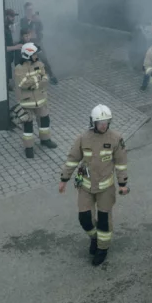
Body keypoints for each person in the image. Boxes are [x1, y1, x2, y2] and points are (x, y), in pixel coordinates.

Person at [58, 104, 129, 266]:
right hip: (86, 186)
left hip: (106, 188)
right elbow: (72, 159)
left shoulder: (116, 139)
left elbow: (121, 163)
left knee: (104, 220)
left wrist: (123, 183)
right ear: (93, 122)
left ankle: (102, 248)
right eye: (100, 122)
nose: (103, 125)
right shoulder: (83, 139)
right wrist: (64, 179)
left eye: (106, 122)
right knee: (84, 219)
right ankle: (94, 238)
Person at [13, 43, 56, 158]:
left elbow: (45, 78)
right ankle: (29, 147)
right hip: (27, 103)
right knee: (28, 126)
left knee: (45, 121)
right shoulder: (19, 68)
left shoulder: (39, 64)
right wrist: (38, 80)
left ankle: (45, 140)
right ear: (28, 55)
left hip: (41, 100)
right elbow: (23, 84)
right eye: (34, 54)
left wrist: (33, 82)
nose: (36, 56)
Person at [20, 2, 58, 84]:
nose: (31, 11)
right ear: (25, 10)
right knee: (31, 62)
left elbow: (41, 28)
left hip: (37, 42)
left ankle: (51, 75)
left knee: (44, 59)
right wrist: (31, 21)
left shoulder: (36, 19)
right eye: (29, 10)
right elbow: (24, 30)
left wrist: (38, 21)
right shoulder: (23, 20)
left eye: (31, 9)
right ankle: (32, 79)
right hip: (29, 44)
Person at [4, 9, 21, 87]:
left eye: (14, 16)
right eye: (11, 16)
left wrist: (15, 44)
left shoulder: (8, 27)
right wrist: (15, 47)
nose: (13, 18)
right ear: (6, 16)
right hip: (5, 59)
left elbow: (8, 42)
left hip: (9, 58)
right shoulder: (3, 29)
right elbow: (3, 48)